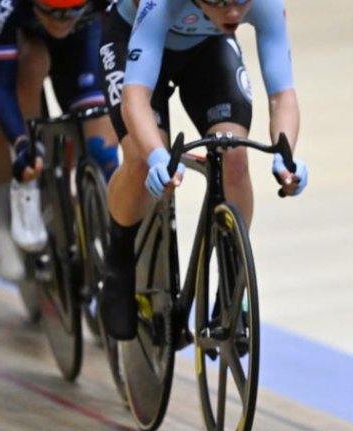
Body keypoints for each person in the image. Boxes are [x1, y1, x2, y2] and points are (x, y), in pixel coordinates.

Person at [98, 0, 308, 341]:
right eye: (222, 3)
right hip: (133, 39)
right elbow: (134, 98)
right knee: (138, 160)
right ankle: (119, 260)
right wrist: (154, 157)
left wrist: (285, 154)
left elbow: (282, 96)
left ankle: (231, 284)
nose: (235, 14)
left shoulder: (261, 4)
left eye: (242, 1)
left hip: (205, 47)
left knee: (234, 157)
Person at [0, 0, 119, 282]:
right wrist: (21, 143)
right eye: (53, 12)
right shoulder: (2, 9)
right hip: (16, 35)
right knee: (7, 112)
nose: (60, 20)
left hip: (82, 34)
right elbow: (2, 90)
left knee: (103, 145)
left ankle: (100, 225)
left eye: (68, 11)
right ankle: (3, 221)